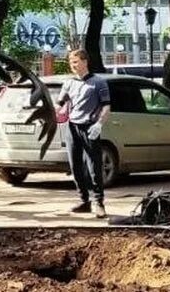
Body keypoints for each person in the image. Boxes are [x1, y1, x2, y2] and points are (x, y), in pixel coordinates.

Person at [56, 48, 111, 219]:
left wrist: (99, 124)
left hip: (90, 127)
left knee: (93, 166)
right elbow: (60, 103)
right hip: (73, 127)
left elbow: (107, 106)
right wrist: (57, 111)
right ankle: (83, 200)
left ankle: (99, 202)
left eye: (76, 62)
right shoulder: (69, 83)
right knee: (75, 166)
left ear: (85, 62)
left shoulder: (98, 82)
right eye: (71, 62)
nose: (73, 65)